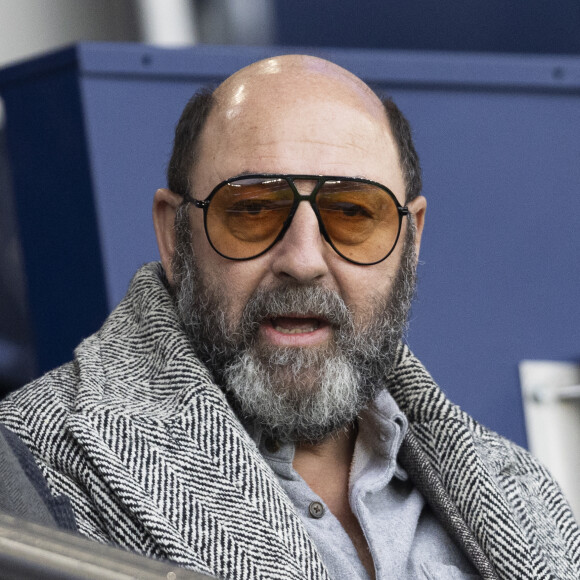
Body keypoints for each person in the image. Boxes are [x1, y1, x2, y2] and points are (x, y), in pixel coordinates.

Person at [0, 54, 578, 580]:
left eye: (353, 212)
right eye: (252, 209)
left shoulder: (527, 492)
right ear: (174, 236)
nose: (303, 261)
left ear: (411, 238)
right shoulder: (25, 467)